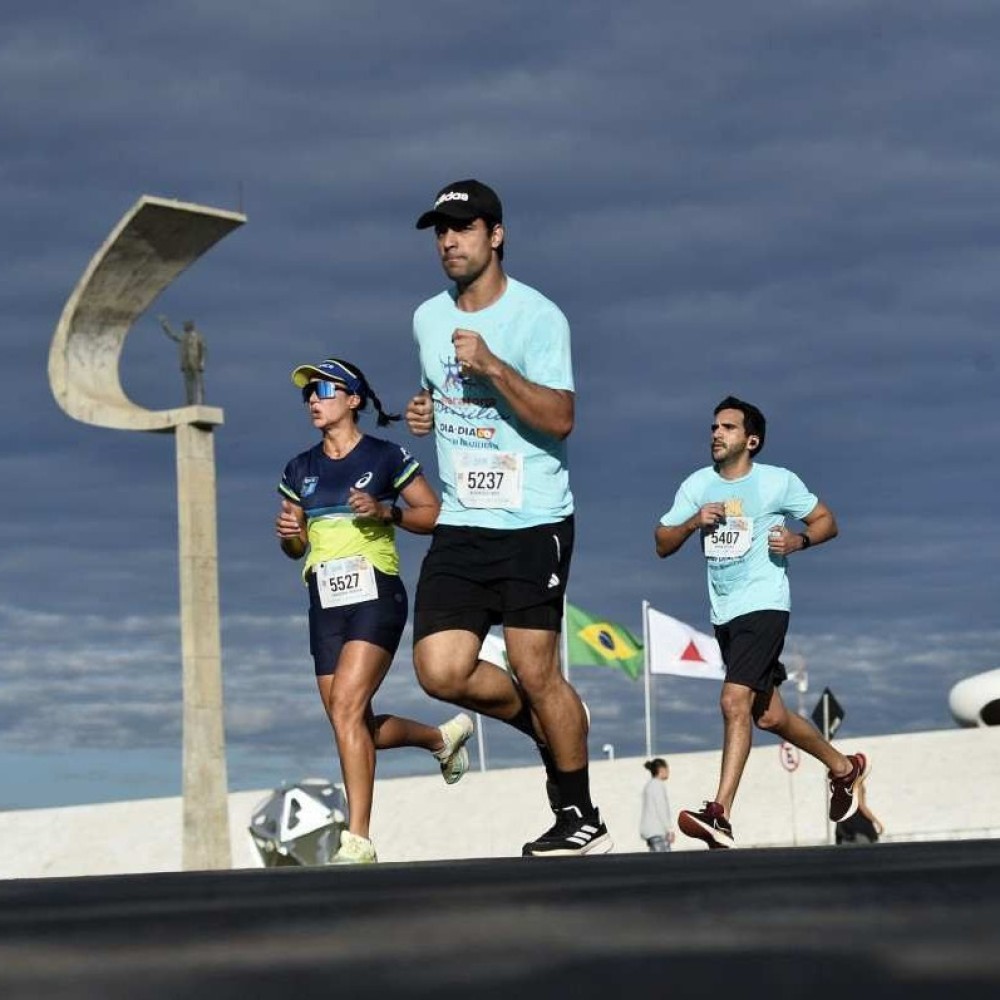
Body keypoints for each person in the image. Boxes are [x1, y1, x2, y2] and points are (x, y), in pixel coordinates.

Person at [405, 178, 611, 857]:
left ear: (496, 235)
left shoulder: (539, 318)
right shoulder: (426, 319)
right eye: (440, 230)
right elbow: (442, 394)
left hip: (534, 522)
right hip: (464, 522)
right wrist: (426, 412)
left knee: (535, 669)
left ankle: (579, 814)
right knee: (440, 670)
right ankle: (556, 728)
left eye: (463, 228)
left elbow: (562, 418)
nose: (449, 241)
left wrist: (492, 366)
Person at [276, 357, 474, 864]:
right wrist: (292, 538)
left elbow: (434, 513)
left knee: (345, 710)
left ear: (353, 399)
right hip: (324, 603)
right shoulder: (299, 469)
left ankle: (358, 839)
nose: (313, 400)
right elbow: (295, 549)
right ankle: (439, 738)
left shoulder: (386, 456)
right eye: (307, 394)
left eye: (322, 389)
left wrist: (388, 512)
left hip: (375, 594)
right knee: (352, 721)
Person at [654, 395, 869, 850]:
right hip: (724, 614)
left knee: (734, 701)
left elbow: (828, 520)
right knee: (769, 715)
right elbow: (661, 542)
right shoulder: (697, 485)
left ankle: (720, 814)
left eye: (727, 428)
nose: (716, 434)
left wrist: (799, 541)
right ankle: (843, 768)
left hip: (765, 605)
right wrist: (693, 521)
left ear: (751, 440)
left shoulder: (777, 482)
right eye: (713, 427)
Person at [158, 315, 207, 405]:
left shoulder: (199, 337)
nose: (183, 327)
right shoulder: (183, 337)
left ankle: (200, 402)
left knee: (198, 384)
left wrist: (202, 363)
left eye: (185, 326)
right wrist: (165, 325)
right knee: (188, 385)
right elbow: (173, 335)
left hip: (196, 363)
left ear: (190, 326)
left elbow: (203, 350)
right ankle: (190, 402)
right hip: (186, 363)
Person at [639, 758, 675, 853]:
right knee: (665, 864)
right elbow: (661, 808)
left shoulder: (649, 785)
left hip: (651, 833)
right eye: (667, 769)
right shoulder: (657, 785)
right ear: (661, 769)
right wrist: (669, 829)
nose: (668, 772)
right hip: (658, 832)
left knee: (656, 864)